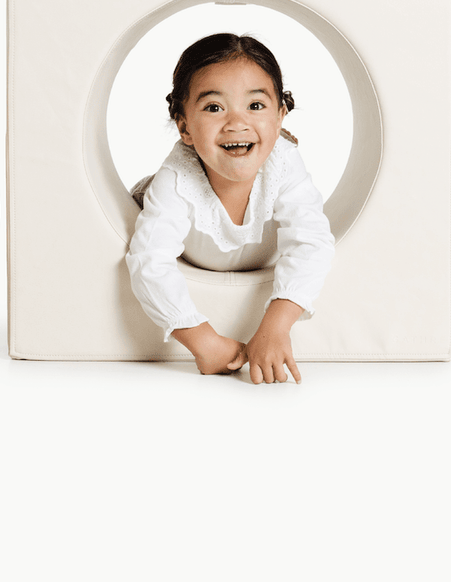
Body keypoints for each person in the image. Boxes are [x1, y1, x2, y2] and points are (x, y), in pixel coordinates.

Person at [126, 33, 334, 384]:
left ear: (281, 115)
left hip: (248, 247)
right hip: (166, 211)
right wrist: (202, 340)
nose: (236, 123)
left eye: (255, 106)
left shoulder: (283, 162)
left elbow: (311, 240)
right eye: (213, 107)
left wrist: (276, 325)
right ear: (184, 126)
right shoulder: (176, 178)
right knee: (156, 203)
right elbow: (150, 261)